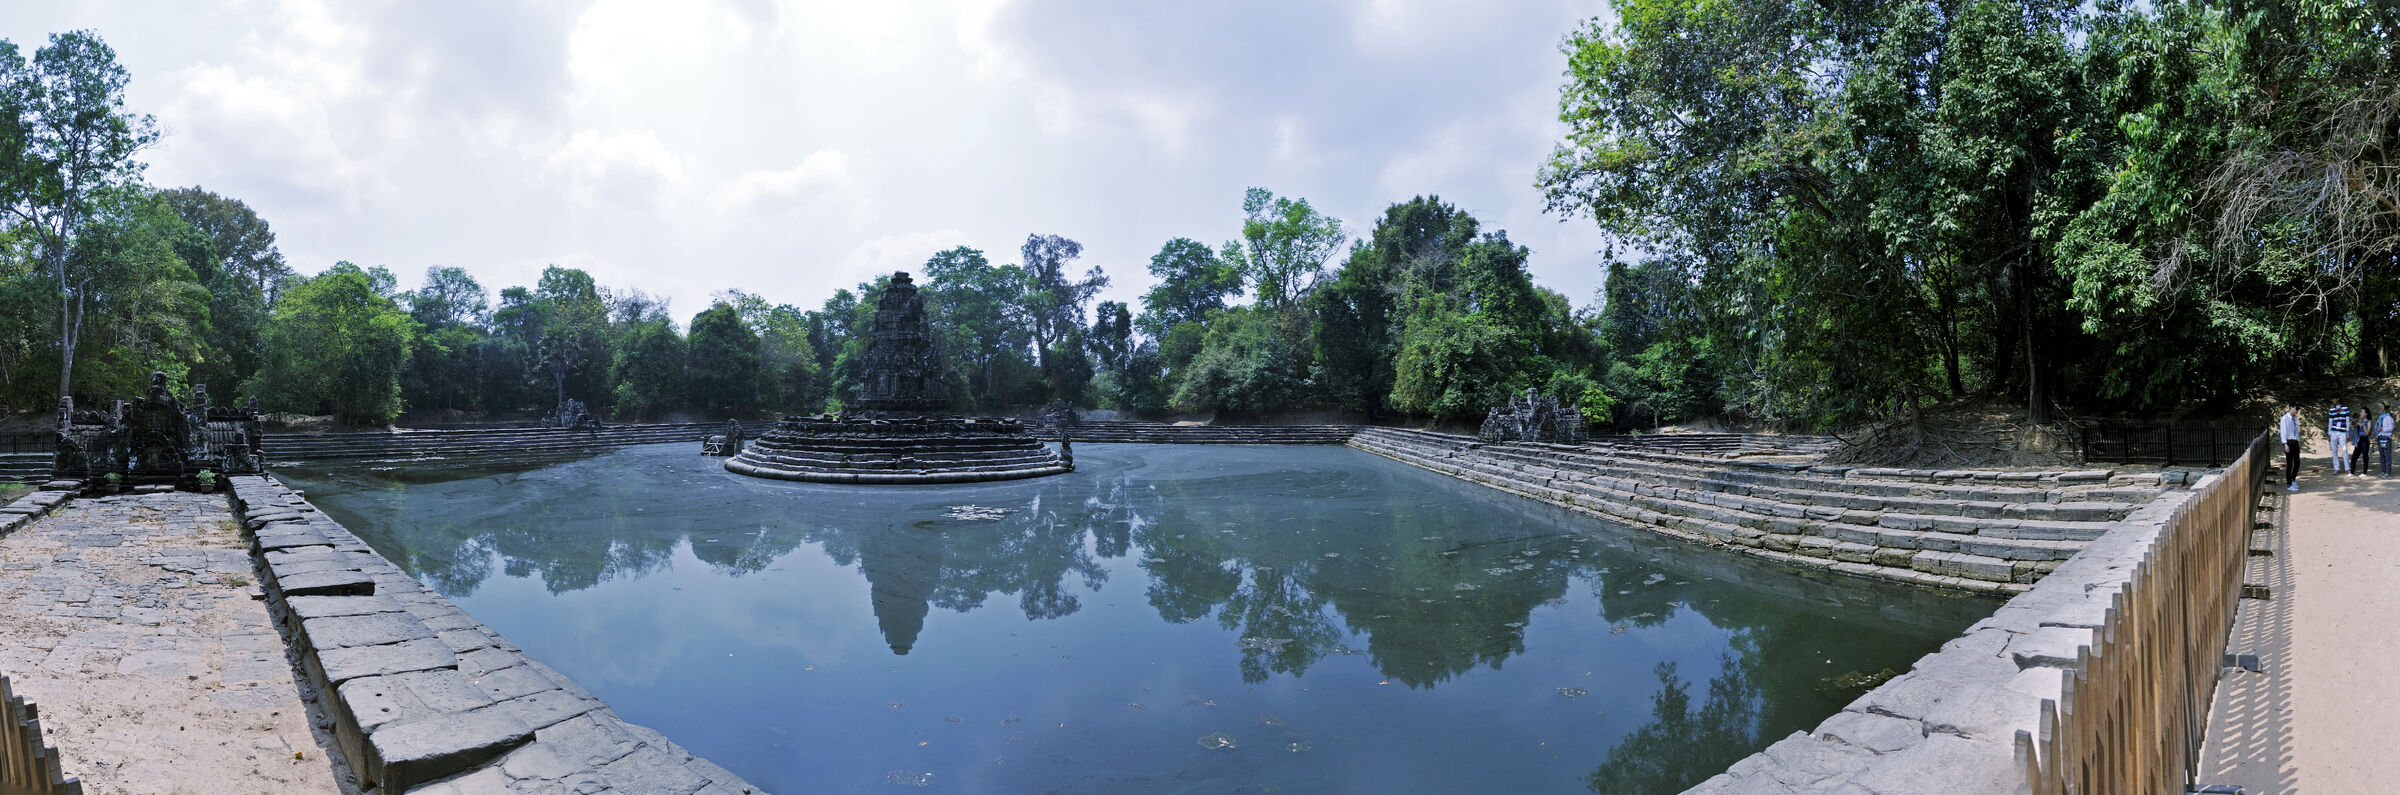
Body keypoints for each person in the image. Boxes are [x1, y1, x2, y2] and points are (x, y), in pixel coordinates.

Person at [2283, 406, 2305, 491]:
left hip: (2295, 442)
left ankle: (2293, 479)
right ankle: (2289, 484)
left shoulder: (2294, 418)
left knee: (2297, 462)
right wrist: (2285, 444)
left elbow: (2296, 431)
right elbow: (2283, 432)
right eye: (2296, 409)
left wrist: (2298, 441)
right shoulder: (2285, 418)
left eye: (2298, 409)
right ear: (2290, 407)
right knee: (2289, 463)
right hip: (2288, 442)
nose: (2297, 411)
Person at [2329, 399, 2353, 475]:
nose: (2332, 400)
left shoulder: (2345, 408)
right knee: (2334, 451)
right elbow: (2330, 421)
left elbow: (2347, 420)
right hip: (2333, 432)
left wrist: (2347, 432)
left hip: (2342, 432)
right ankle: (2336, 468)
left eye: (2334, 398)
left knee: (2344, 450)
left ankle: (2347, 468)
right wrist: (2329, 434)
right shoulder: (2332, 409)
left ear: (2338, 399)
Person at [2379, 403, 2396, 477]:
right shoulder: (2381, 417)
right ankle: (2383, 471)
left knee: (2387, 455)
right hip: (2380, 437)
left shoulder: (2389, 417)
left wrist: (2382, 429)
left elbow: (2391, 428)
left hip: (2386, 438)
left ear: (2384, 408)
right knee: (2382, 455)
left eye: (2380, 407)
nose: (2379, 409)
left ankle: (2387, 472)